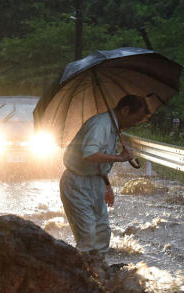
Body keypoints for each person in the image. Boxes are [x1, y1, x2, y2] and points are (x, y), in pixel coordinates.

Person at [59, 94, 149, 256]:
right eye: (135, 119)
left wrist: (107, 185)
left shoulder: (113, 128)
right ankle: (84, 276)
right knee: (87, 235)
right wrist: (119, 158)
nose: (134, 124)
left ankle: (100, 274)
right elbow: (90, 154)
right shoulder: (100, 124)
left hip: (96, 181)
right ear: (125, 110)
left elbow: (100, 161)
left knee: (102, 233)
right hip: (77, 181)